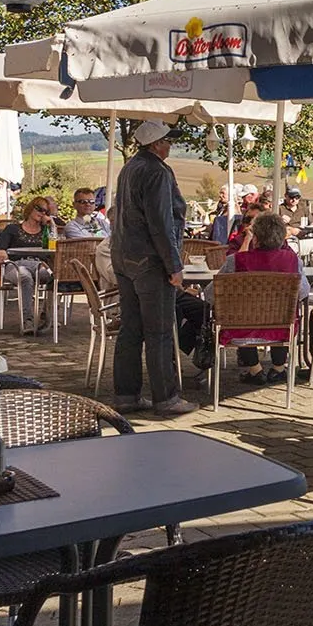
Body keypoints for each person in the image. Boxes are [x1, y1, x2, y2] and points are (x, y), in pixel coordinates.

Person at [109, 121, 196, 417]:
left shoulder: (130, 168)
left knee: (130, 329)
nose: (170, 145)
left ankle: (126, 394)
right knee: (159, 331)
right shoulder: (157, 171)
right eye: (167, 141)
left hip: (124, 257)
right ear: (157, 144)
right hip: (149, 260)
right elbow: (161, 223)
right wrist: (174, 265)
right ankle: (166, 397)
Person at [216, 211, 310, 384]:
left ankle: (255, 369)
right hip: (281, 330)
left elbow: (212, 294)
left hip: (240, 331)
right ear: (282, 238)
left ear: (255, 238)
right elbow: (303, 291)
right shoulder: (293, 261)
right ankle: (278, 369)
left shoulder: (235, 261)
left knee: (241, 313)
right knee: (284, 312)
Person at [0, 196, 57, 334]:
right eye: (39, 209)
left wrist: (51, 224)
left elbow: (54, 247)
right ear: (30, 208)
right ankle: (27, 320)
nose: (42, 213)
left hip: (38, 265)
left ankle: (46, 315)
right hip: (15, 265)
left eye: (46, 211)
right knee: (25, 276)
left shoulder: (45, 231)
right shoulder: (12, 229)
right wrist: (0, 253)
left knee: (53, 276)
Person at [280, 186, 313, 268]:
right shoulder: (280, 209)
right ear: (286, 196)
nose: (294, 200)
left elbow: (312, 223)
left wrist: (306, 230)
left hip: (303, 239)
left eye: (297, 197)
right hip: (288, 241)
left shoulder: (303, 208)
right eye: (291, 197)